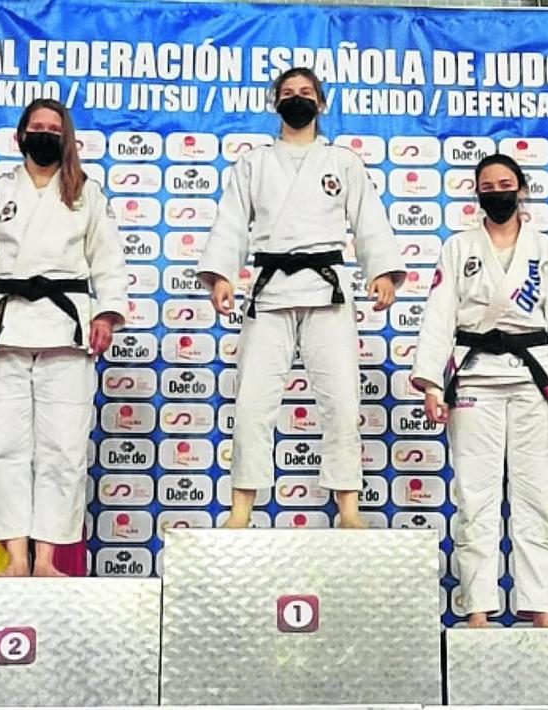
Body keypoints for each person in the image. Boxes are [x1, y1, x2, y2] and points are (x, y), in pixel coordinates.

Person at [199, 67, 405, 529]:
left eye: (306, 92)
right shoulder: (254, 163)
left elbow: (369, 220)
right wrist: (222, 276)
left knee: (342, 403)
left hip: (326, 290)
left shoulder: (343, 162)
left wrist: (382, 272)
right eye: (288, 93)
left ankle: (348, 508)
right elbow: (231, 222)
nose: (297, 98)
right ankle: (241, 509)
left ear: (321, 103)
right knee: (252, 402)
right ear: (276, 103)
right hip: (269, 290)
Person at [412, 154, 548, 627]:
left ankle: (540, 605)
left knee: (539, 497)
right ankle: (478, 607)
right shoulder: (458, 248)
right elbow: (438, 316)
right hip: (475, 380)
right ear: (477, 193)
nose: (497, 192)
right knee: (475, 498)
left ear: (521, 190)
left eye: (505, 184)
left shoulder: (545, 249)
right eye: (488, 186)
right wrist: (431, 384)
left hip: (534, 379)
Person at [0, 98, 126, 576]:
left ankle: (46, 557)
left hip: (66, 330)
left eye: (53, 128)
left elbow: (109, 261)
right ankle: (15, 556)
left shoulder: (87, 194)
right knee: (1, 445)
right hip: (4, 327)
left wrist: (107, 314)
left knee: (63, 447)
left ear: (65, 138)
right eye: (37, 126)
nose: (45, 134)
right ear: (20, 136)